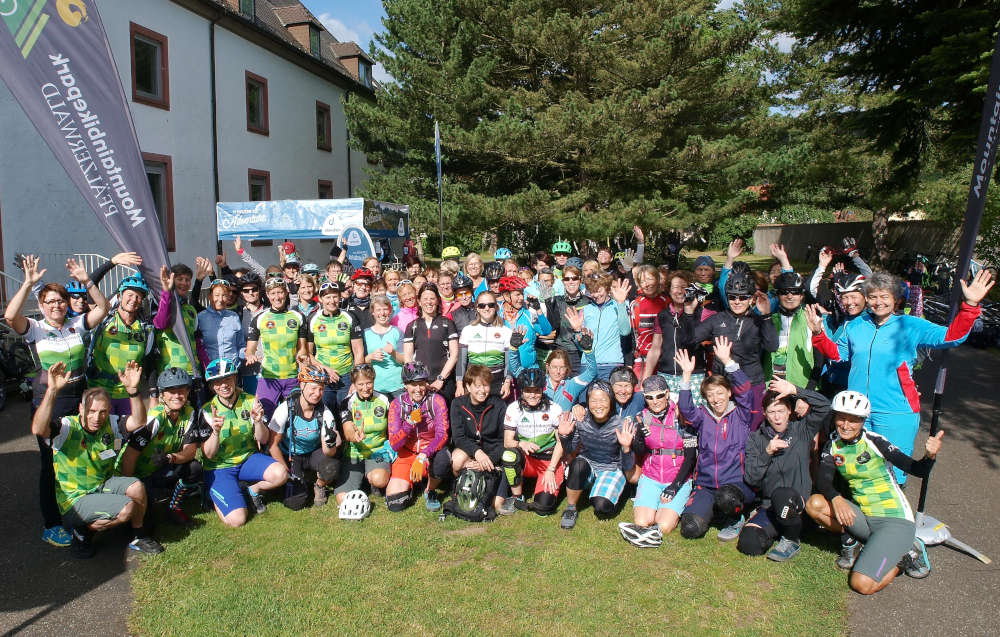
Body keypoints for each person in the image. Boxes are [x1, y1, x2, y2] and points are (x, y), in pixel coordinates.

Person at [807, 269, 992, 483]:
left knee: (892, 473)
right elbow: (838, 355)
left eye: (884, 296)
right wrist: (819, 334)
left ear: (895, 300)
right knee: (855, 470)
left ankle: (892, 515)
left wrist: (969, 306)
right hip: (857, 411)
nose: (878, 302)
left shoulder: (910, 325)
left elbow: (951, 337)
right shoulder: (857, 325)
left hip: (895, 411)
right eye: (873, 297)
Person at [5, 255, 109, 547]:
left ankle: (83, 508)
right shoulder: (36, 329)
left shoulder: (77, 324)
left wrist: (87, 280)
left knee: (78, 456)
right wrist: (28, 283)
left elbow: (103, 307)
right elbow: (11, 317)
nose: (56, 306)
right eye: (49, 302)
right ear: (41, 306)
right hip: (49, 403)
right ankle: (52, 523)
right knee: (49, 464)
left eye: (60, 301)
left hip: (80, 401)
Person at [806, 390, 940, 594]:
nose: (845, 425)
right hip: (865, 518)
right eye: (841, 418)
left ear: (863, 421)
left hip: (894, 522)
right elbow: (824, 480)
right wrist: (836, 498)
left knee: (862, 585)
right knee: (815, 504)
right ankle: (857, 542)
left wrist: (929, 456)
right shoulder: (833, 444)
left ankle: (906, 556)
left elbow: (916, 470)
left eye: (853, 420)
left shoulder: (875, 441)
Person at [32, 360, 162, 557]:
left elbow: (139, 421)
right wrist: (51, 391)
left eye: (102, 412)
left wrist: (133, 391)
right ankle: (82, 531)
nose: (97, 417)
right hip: (76, 499)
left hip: (102, 484)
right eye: (91, 411)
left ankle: (139, 536)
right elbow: (38, 429)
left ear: (109, 410)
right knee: (127, 508)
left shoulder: (110, 423)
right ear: (80, 408)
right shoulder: (67, 427)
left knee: (137, 487)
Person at [738, 376, 831, 561]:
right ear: (764, 413)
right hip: (770, 507)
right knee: (749, 543)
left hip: (798, 504)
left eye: (781, 410)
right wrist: (767, 452)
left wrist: (796, 390)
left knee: (783, 496)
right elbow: (751, 478)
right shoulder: (756, 439)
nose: (777, 417)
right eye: (772, 412)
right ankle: (777, 529)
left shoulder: (801, 430)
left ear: (789, 411)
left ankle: (791, 539)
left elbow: (825, 406)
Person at [675, 337, 756, 542]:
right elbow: (686, 409)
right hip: (707, 484)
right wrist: (686, 375)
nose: (716, 399)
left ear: (729, 393)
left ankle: (736, 517)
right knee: (691, 528)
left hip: (735, 484)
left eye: (720, 393)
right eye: (710, 395)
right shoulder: (703, 415)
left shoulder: (741, 414)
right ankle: (714, 511)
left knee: (728, 498)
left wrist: (728, 361)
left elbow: (746, 390)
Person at [680, 270, 777, 430]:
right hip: (723, 385)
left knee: (751, 430)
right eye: (732, 297)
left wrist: (766, 316)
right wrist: (689, 313)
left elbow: (772, 346)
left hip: (751, 382)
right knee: (723, 430)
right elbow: (688, 340)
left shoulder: (758, 321)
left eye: (743, 297)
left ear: (751, 298)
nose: (737, 301)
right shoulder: (718, 319)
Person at [201, 357, 289, 527]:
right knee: (237, 520)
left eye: (227, 378)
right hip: (220, 467)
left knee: (281, 474)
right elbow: (209, 454)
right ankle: (213, 491)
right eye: (218, 382)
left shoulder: (250, 401)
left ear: (235, 379)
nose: (224, 385)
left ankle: (251, 489)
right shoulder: (206, 411)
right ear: (212, 386)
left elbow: (263, 439)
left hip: (247, 459)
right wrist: (216, 432)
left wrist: (257, 422)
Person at [118, 368, 204, 531]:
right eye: (171, 391)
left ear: (187, 392)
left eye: (181, 390)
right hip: (138, 476)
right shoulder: (154, 419)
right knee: (148, 526)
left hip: (160, 468)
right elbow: (129, 456)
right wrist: (127, 488)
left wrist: (170, 457)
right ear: (162, 395)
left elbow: (190, 451)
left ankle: (174, 507)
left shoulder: (189, 413)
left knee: (194, 468)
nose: (177, 396)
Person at [618, 375, 696, 548]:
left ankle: (643, 536)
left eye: (659, 395)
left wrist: (675, 486)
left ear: (667, 394)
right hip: (651, 476)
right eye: (649, 397)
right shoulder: (643, 417)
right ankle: (645, 535)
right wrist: (637, 440)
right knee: (642, 520)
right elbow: (641, 451)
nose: (655, 401)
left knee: (665, 526)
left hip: (678, 478)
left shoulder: (682, 415)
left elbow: (691, 457)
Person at [556, 378, 644, 530]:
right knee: (577, 464)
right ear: (588, 403)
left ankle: (615, 491)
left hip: (611, 468)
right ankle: (571, 508)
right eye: (593, 401)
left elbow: (628, 465)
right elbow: (571, 450)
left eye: (603, 400)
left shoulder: (621, 424)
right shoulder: (581, 420)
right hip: (588, 465)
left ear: (610, 402)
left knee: (602, 507)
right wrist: (564, 437)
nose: (598, 405)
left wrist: (626, 447)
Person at [267, 366, 341, 508]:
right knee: (295, 503)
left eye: (321, 389)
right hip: (291, 456)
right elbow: (272, 445)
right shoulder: (286, 409)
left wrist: (331, 443)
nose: (317, 393)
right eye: (313, 388)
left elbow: (328, 453)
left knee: (332, 466)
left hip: (313, 453)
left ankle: (319, 485)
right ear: (302, 385)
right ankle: (299, 480)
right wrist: (286, 473)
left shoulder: (325, 413)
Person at [87, 274, 156, 416]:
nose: (134, 300)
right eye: (130, 295)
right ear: (119, 296)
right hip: (99, 391)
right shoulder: (104, 318)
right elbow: (90, 287)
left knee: (130, 434)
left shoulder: (144, 328)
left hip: (128, 393)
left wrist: (153, 395)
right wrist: (113, 263)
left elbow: (149, 362)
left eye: (138, 297)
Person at [386, 362, 451, 512]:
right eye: (413, 384)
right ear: (405, 385)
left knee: (443, 460)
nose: (418, 389)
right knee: (395, 503)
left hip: (430, 451)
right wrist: (409, 423)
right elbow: (395, 444)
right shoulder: (397, 404)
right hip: (407, 453)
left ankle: (430, 489)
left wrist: (423, 455)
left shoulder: (436, 401)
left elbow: (442, 435)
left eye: (421, 384)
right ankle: (414, 483)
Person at [499, 368, 565, 515]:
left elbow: (561, 443)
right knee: (509, 455)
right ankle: (517, 496)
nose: (532, 395)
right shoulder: (513, 408)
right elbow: (507, 441)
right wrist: (520, 444)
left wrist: (551, 470)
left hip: (548, 461)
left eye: (536, 390)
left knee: (543, 508)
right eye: (528, 390)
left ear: (543, 389)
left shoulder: (554, 409)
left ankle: (544, 487)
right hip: (527, 460)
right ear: (522, 390)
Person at [644, 271, 713, 405]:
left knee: (693, 416)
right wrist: (646, 376)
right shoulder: (663, 315)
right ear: (669, 290)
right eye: (675, 287)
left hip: (694, 375)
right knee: (669, 419)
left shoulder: (701, 313)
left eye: (684, 287)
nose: (680, 291)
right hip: (667, 375)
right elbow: (655, 348)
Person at [245, 277, 308, 419]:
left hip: (292, 376)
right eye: (272, 293)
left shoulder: (298, 317)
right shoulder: (260, 318)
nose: (277, 297)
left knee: (295, 418)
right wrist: (250, 355)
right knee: (263, 418)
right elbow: (250, 349)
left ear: (286, 293)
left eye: (280, 292)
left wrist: (303, 361)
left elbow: (302, 349)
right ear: (267, 295)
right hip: (269, 377)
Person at [450, 364, 508, 514]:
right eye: (478, 386)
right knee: (456, 460)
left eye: (486, 386)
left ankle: (490, 476)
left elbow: (504, 441)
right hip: (472, 452)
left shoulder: (499, 405)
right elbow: (458, 438)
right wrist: (477, 453)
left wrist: (488, 460)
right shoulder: (457, 404)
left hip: (493, 455)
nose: (482, 390)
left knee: (497, 505)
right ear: (468, 387)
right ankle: (465, 484)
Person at [335, 364, 394, 504]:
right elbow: (348, 431)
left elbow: (393, 428)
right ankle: (362, 479)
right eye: (360, 384)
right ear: (354, 384)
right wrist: (355, 436)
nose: (365, 388)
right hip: (355, 455)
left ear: (373, 381)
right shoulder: (347, 402)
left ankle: (372, 481)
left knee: (379, 479)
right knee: (342, 498)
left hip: (378, 452)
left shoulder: (385, 399)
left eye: (369, 383)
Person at [305, 281, 364, 412]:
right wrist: (326, 370)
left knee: (347, 415)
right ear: (320, 299)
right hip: (322, 377)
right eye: (327, 297)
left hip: (347, 376)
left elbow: (359, 352)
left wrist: (355, 380)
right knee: (326, 416)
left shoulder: (349, 317)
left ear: (340, 297)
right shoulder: (313, 319)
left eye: (335, 296)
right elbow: (307, 354)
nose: (332, 300)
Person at [763, 272, 824, 390]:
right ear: (777, 295)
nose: (790, 296)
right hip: (770, 385)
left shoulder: (812, 319)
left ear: (802, 296)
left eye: (795, 292)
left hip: (802, 387)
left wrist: (808, 392)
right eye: (784, 292)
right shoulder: (769, 320)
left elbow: (820, 360)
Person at [403, 283, 459, 401]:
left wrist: (440, 379)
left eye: (432, 298)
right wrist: (418, 381)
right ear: (419, 301)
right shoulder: (412, 326)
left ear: (438, 301)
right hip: (420, 385)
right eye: (425, 299)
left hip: (445, 383)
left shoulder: (447, 323)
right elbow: (408, 358)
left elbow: (454, 355)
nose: (429, 302)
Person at [456, 290, 515, 398]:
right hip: (473, 382)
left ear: (496, 307)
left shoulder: (506, 331)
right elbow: (461, 360)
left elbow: (509, 361)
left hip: (497, 382)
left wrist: (507, 383)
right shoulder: (468, 330)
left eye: (491, 305)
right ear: (477, 308)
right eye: (482, 305)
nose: (486, 308)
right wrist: (459, 384)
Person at [152, 265, 204, 379]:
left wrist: (205, 365)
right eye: (180, 279)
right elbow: (160, 324)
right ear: (172, 280)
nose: (184, 283)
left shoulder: (191, 310)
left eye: (187, 280)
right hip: (170, 373)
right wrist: (166, 292)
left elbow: (198, 342)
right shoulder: (160, 303)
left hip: (193, 372)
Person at [544, 308, 597, 411]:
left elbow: (591, 372)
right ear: (547, 367)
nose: (558, 372)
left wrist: (588, 351)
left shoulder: (571, 385)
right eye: (554, 367)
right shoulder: (540, 382)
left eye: (562, 367)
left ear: (567, 369)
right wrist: (513, 349)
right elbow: (516, 370)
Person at [581, 276, 632, 380]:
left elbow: (625, 331)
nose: (595, 295)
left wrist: (621, 304)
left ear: (607, 288)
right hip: (587, 364)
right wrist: (577, 331)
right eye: (592, 291)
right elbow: (580, 344)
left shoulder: (620, 305)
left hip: (611, 364)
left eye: (599, 291)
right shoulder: (586, 309)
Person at [499, 275, 553, 373]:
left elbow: (546, 331)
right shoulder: (497, 315)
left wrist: (538, 310)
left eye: (522, 294)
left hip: (529, 370)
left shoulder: (528, 313)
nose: (521, 298)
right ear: (506, 296)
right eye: (517, 294)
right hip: (506, 372)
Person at [546, 264, 593, 374]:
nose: (570, 282)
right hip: (561, 352)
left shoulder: (589, 302)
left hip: (582, 352)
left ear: (580, 280)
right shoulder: (556, 301)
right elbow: (552, 327)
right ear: (563, 281)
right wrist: (548, 303)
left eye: (574, 278)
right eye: (567, 279)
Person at [198, 278, 245, 376]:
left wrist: (248, 354)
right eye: (216, 295)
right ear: (210, 296)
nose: (220, 299)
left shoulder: (234, 317)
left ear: (228, 297)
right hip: (211, 371)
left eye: (224, 295)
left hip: (232, 370)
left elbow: (240, 345)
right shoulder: (200, 318)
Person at [629, 265, 668, 380]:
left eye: (650, 279)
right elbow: (633, 334)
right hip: (643, 360)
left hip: (664, 359)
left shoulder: (667, 302)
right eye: (642, 281)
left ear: (657, 280)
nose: (647, 284)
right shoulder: (636, 304)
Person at [364, 295, 406, 398]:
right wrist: (370, 357)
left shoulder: (397, 332)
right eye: (378, 310)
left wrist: (393, 353)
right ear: (373, 312)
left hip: (397, 387)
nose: (382, 313)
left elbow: (405, 360)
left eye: (385, 309)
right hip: (375, 387)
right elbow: (360, 361)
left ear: (390, 311)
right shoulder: (365, 334)